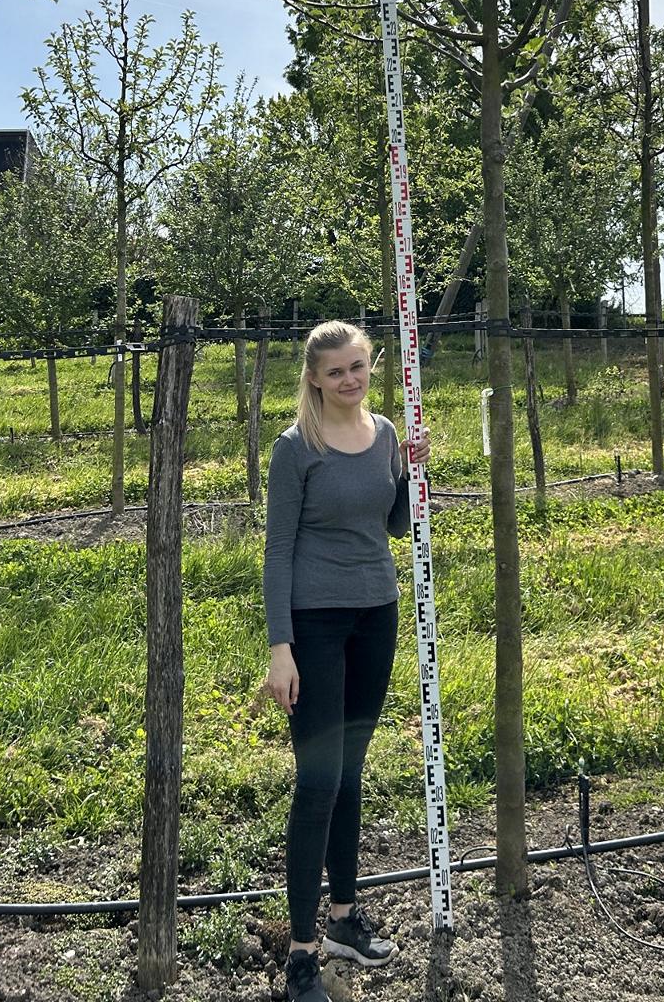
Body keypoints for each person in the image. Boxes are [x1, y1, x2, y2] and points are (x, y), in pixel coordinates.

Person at [263, 319, 428, 1002]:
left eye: (358, 367)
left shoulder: (385, 434)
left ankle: (343, 920)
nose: (350, 380)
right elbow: (276, 552)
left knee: (352, 772)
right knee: (318, 782)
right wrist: (281, 649)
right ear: (314, 378)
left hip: (376, 614)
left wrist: (412, 472)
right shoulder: (296, 448)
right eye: (336, 372)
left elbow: (392, 524)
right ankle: (302, 954)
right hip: (315, 626)